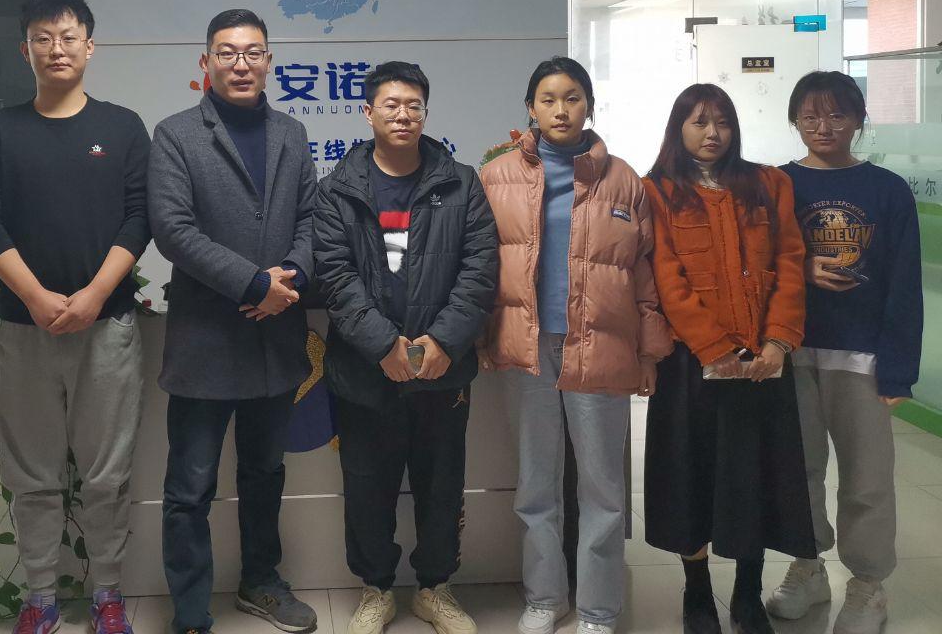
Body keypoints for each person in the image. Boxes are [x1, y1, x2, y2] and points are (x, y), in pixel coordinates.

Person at [0, 0, 151, 634]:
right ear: (26, 51)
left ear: (90, 47)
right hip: (25, 329)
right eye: (43, 38)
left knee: (106, 476)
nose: (57, 48)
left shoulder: (122, 127)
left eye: (69, 37)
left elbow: (140, 217)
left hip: (109, 328)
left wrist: (95, 294)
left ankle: (107, 594)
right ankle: (40, 597)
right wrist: (35, 297)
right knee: (32, 475)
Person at [479, 57, 672, 634]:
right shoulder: (497, 177)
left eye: (572, 98)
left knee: (604, 489)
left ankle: (598, 608)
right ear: (530, 108)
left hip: (601, 347)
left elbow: (645, 273)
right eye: (548, 99)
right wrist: (484, 337)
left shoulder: (624, 180)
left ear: (589, 104)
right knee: (536, 485)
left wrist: (649, 353)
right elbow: (479, 267)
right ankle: (545, 597)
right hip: (527, 346)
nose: (560, 110)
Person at [149, 8, 318, 634]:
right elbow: (172, 229)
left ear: (269, 61)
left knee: (265, 473)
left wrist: (290, 276)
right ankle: (191, 610)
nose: (240, 64)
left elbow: (312, 218)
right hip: (205, 342)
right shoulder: (175, 134)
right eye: (227, 52)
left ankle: (261, 583)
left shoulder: (292, 133)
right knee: (190, 486)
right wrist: (253, 283)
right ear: (206, 62)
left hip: (274, 339)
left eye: (252, 53)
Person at [313, 60, 497, 634]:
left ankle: (435, 588)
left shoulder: (461, 183)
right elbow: (335, 277)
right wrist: (382, 346)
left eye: (413, 105)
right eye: (391, 104)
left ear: (425, 113)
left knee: (441, 486)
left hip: (443, 371)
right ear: (367, 112)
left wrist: (443, 341)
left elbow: (480, 270)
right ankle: (376, 589)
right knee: (368, 487)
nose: (403, 114)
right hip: (364, 371)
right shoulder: (336, 190)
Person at [642, 83, 814, 634]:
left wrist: (777, 341)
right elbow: (666, 277)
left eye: (722, 122)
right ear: (679, 128)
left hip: (763, 362)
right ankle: (697, 593)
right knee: (689, 477)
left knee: (753, 478)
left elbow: (790, 262)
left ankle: (747, 595)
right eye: (699, 122)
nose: (712, 133)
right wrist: (716, 348)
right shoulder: (657, 190)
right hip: (691, 364)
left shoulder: (769, 184)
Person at [765, 71, 923, 634]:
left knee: (867, 479)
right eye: (810, 116)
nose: (823, 126)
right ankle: (806, 566)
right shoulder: (778, 184)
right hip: (792, 351)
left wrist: (898, 370)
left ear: (858, 119)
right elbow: (757, 262)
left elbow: (905, 284)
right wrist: (802, 268)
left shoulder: (888, 190)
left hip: (863, 359)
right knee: (797, 469)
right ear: (794, 120)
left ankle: (868, 586)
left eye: (837, 115)